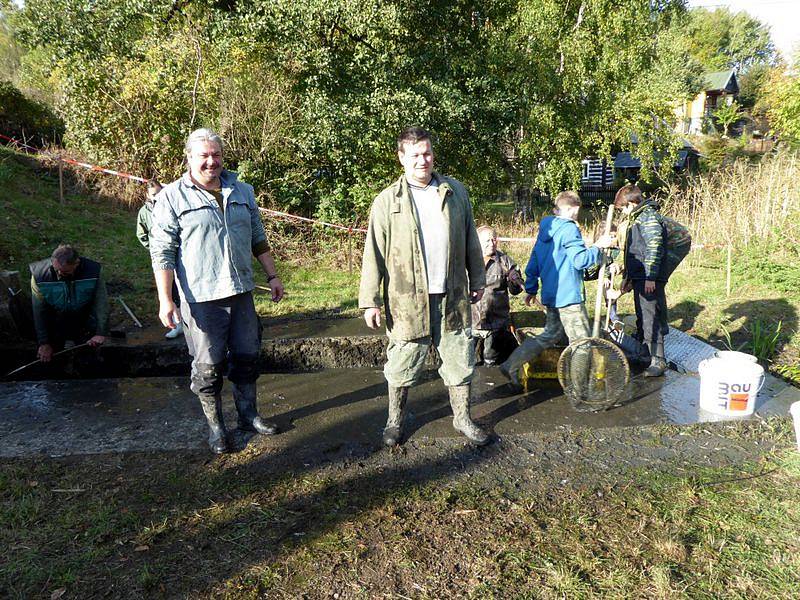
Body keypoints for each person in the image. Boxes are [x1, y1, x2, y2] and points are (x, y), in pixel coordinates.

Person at [149, 128, 285, 454]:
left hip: (241, 291)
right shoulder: (171, 197)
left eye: (216, 155)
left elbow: (257, 236)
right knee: (208, 367)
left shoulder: (242, 191)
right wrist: (166, 300)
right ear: (190, 158)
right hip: (202, 299)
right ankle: (216, 427)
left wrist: (273, 275)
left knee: (247, 357)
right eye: (204, 156)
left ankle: (248, 415)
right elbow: (162, 252)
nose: (212, 162)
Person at [359, 126, 489, 447]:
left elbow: (472, 239)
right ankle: (395, 421)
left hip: (452, 295)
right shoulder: (387, 201)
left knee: (460, 355)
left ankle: (462, 418)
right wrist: (370, 300)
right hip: (406, 299)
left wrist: (478, 278)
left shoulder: (455, 192)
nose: (423, 160)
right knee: (403, 360)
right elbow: (373, 252)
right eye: (415, 155)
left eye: (427, 153)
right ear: (402, 158)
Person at [499, 191, 615, 389]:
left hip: (551, 296)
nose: (578, 215)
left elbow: (534, 262)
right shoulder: (569, 229)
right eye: (577, 211)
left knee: (549, 335)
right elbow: (581, 260)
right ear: (571, 209)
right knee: (582, 344)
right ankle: (578, 390)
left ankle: (511, 364)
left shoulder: (547, 228)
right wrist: (597, 246)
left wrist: (532, 288)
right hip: (569, 298)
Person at [611, 184, 686, 377]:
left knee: (650, 313)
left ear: (633, 202)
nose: (623, 212)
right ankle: (645, 348)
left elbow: (654, 247)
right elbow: (633, 250)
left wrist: (651, 277)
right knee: (643, 312)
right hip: (640, 275)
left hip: (648, 276)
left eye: (624, 207)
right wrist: (628, 275)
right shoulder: (636, 218)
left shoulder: (648, 217)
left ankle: (657, 360)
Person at [29, 244, 109, 362]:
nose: (60, 274)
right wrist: (43, 342)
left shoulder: (93, 271)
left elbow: (101, 303)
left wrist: (101, 332)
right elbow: (39, 311)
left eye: (65, 272)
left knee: (90, 362)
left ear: (76, 263)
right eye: (56, 270)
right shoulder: (39, 275)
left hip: (85, 322)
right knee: (52, 364)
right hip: (54, 323)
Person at [136, 180, 183, 339]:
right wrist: (156, 249)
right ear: (147, 196)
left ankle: (191, 322)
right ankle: (177, 325)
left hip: (181, 254)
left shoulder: (173, 203)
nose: (157, 197)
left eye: (159, 192)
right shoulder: (144, 212)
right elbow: (141, 234)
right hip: (163, 259)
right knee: (169, 291)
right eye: (154, 194)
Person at [471, 225, 524, 365]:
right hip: (472, 322)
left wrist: (515, 279)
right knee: (470, 362)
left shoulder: (505, 261)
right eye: (487, 241)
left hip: (496, 323)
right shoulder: (468, 261)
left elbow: (516, 290)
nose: (492, 244)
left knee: (491, 361)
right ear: (477, 242)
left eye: (494, 240)